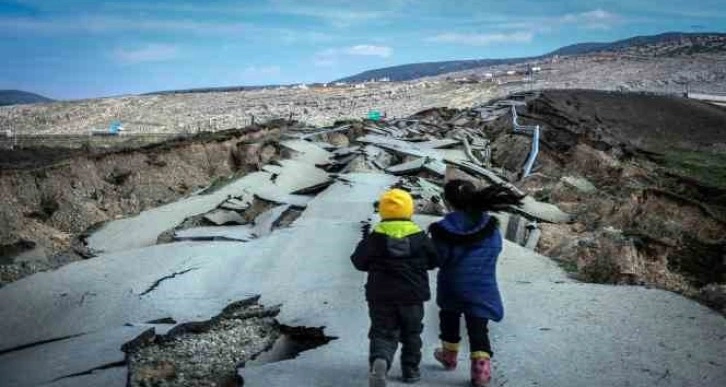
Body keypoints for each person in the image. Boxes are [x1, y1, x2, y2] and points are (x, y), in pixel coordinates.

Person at [429, 180, 523, 386]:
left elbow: (437, 258)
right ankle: (480, 367)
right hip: (482, 285)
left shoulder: (443, 229)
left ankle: (449, 355)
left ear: (448, 201)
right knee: (478, 326)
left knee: (449, 318)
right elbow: (496, 249)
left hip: (452, 285)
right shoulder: (489, 226)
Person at [351, 188, 439, 387]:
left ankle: (380, 361)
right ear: (409, 211)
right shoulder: (420, 238)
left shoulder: (374, 239)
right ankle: (411, 370)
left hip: (381, 296)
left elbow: (358, 262)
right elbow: (435, 260)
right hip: (412, 296)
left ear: (383, 212)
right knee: (412, 334)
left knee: (382, 331)